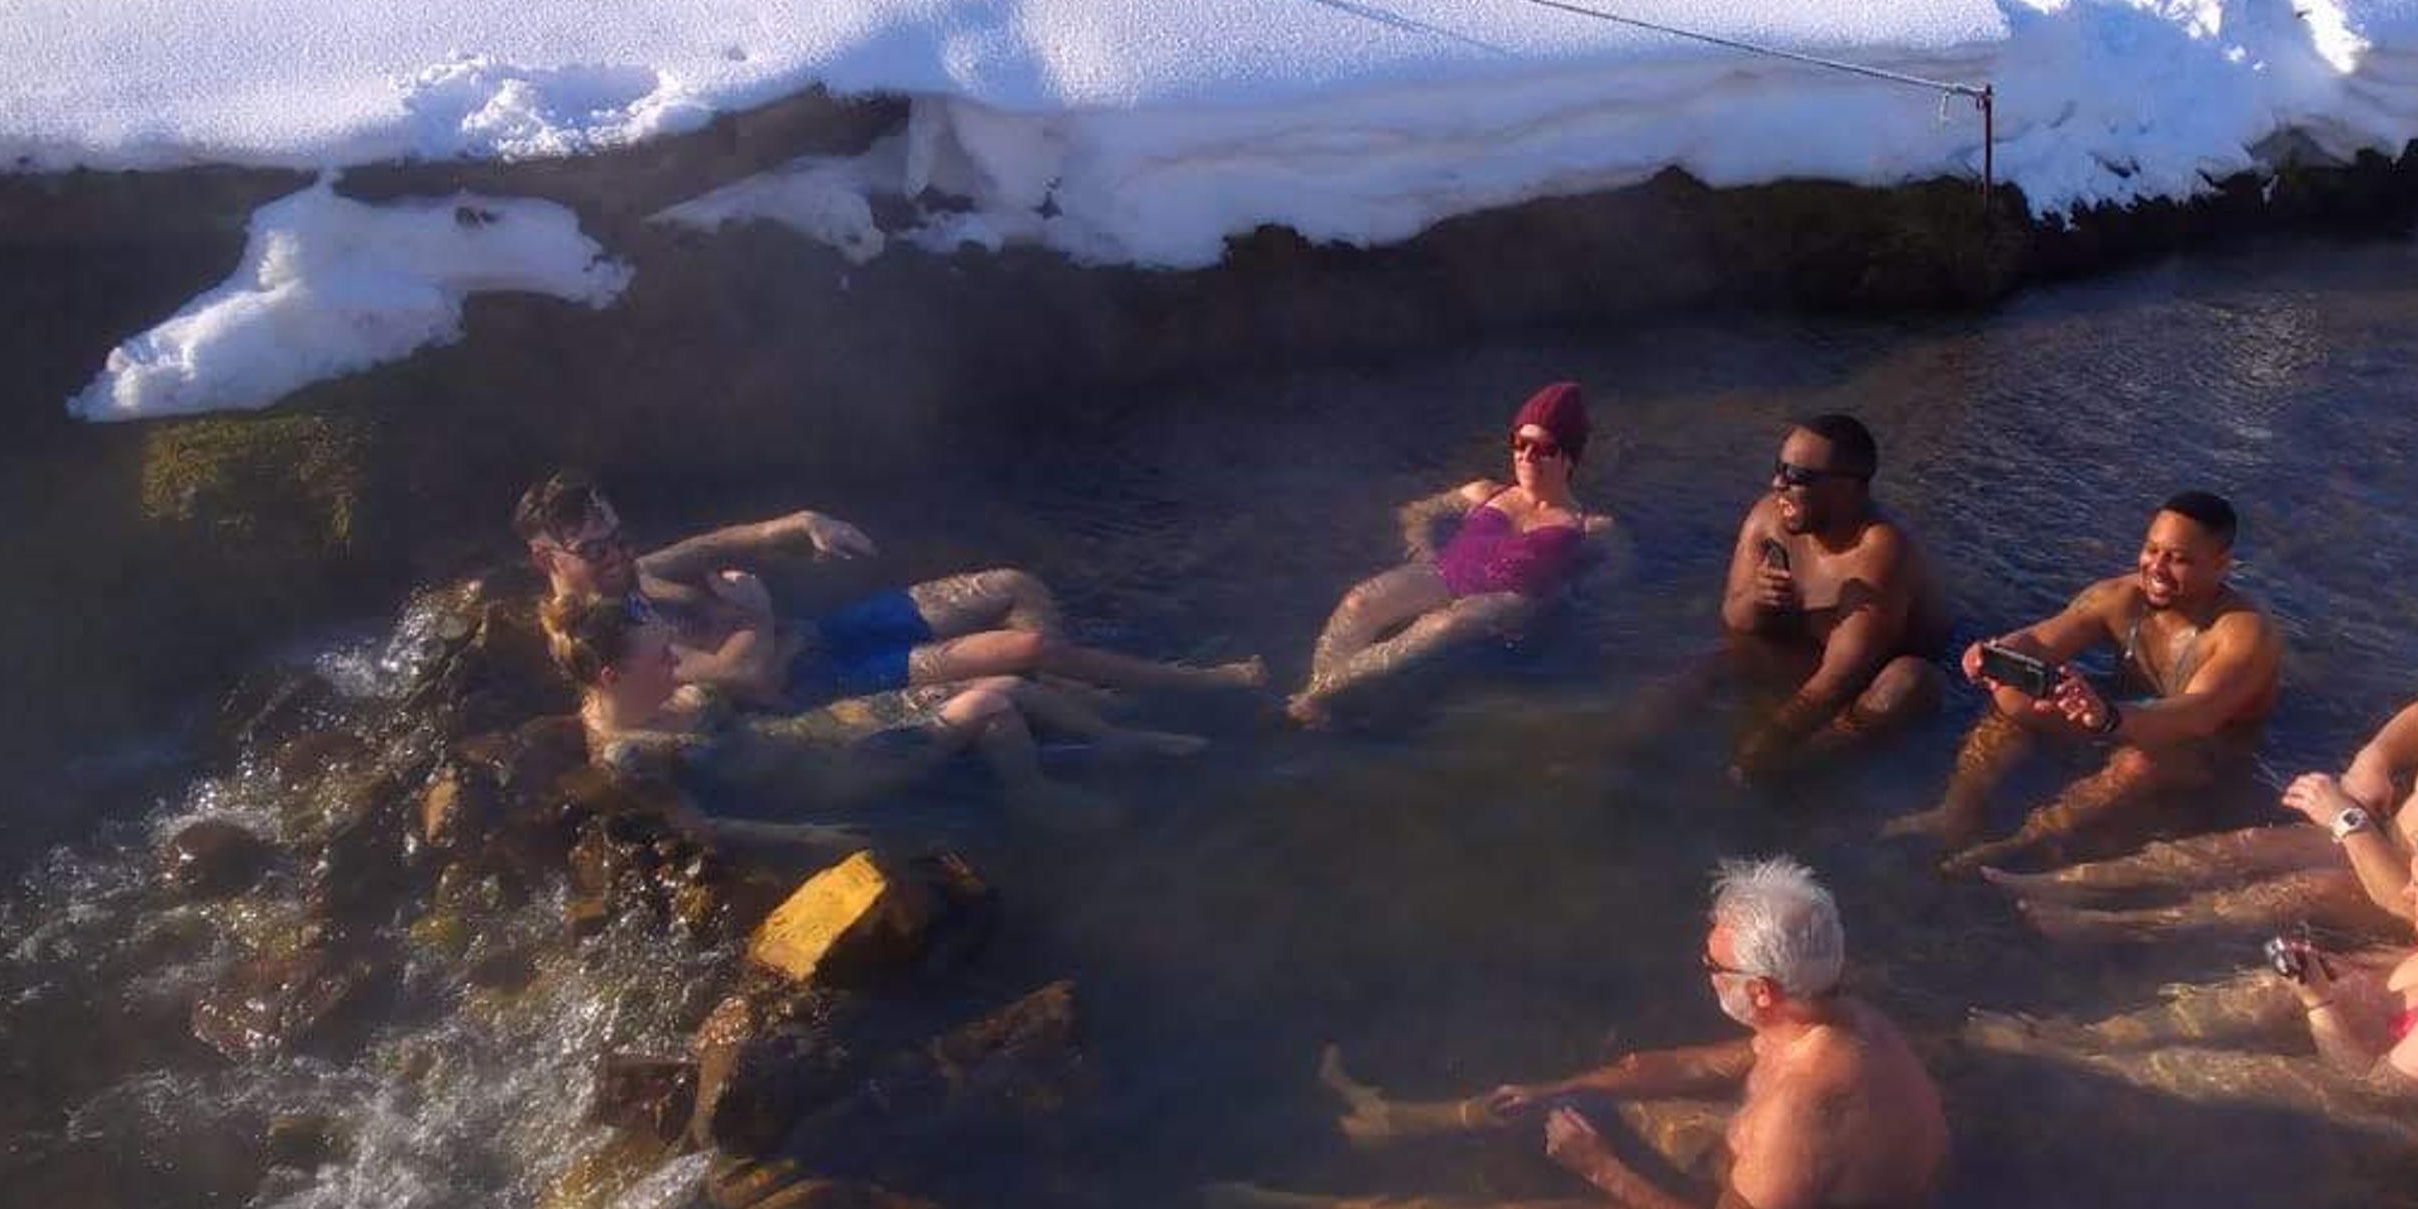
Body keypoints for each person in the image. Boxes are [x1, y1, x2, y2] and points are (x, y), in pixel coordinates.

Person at [1315, 857, 1948, 1209]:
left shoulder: (1807, 1105)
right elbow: (1697, 1064)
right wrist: (1564, 1086)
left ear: (1760, 992)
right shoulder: (1823, 1018)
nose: (1703, 972)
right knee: (1599, 1093)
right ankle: (1396, 1120)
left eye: (1712, 966)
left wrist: (1600, 1169)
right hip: (1766, 1185)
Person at [1971, 800, 2418, 1122]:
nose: (2403, 897)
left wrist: (2321, 1002)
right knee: (2277, 982)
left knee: (2260, 1073)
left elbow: (2372, 1096)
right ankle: (2092, 1036)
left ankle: (2069, 1057)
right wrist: (2325, 985)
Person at [2000, 593, 2418, 939]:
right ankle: (2053, 884)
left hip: (2415, 914)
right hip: (2383, 853)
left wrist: (2347, 822)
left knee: (2291, 892)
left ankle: (2108, 924)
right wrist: (2375, 761)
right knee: (2241, 847)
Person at [515, 470, 1262, 715]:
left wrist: (801, 522)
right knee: (1024, 645)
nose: (617, 554)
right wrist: (758, 611)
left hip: (826, 636)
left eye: (618, 536)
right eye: (594, 548)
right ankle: (1195, 686)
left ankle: (1075, 699)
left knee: (1012, 585)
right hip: (819, 689)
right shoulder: (598, 641)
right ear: (547, 558)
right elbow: (748, 677)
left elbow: (720, 542)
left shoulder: (639, 569)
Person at [544, 595, 1193, 834]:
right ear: (612, 676)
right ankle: (1034, 794)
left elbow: (753, 685)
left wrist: (776, 631)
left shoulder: (651, 690)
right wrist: (834, 837)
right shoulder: (629, 753)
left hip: (816, 733)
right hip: (830, 777)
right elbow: (707, 826)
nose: (675, 664)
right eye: (661, 658)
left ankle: (1123, 736)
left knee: (999, 680)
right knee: (991, 703)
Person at [1887, 491, 2284, 874]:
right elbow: (2043, 639)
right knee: (2012, 698)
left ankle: (2019, 844)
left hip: (2203, 749)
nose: (2156, 569)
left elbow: (2200, 713)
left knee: (2138, 763)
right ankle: (1956, 811)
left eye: (2179, 560)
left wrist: (2109, 717)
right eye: (2152, 550)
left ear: (2222, 565)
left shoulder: (2244, 633)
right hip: (2117, 714)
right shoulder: (2119, 596)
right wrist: (1996, 653)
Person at [1287, 382, 1622, 725]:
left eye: (1543, 448)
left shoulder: (1590, 526)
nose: (1525, 456)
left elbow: (1614, 573)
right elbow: (1416, 512)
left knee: (1443, 624)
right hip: (1447, 571)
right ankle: (1317, 694)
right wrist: (1422, 550)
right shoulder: (1486, 491)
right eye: (1519, 443)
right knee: (1359, 601)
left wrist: (1558, 597)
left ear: (1569, 456)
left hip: (1508, 597)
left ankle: (1315, 696)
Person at [1702, 415, 1947, 780]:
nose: (1777, 483)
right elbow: (1736, 619)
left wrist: (1755, 754)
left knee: (1909, 682)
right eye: (1779, 467)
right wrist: (1755, 597)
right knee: (1703, 668)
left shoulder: (1878, 551)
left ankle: (1807, 775)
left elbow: (1838, 682)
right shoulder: (1769, 518)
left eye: (1797, 476)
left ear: (1848, 489)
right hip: (1808, 657)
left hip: (1867, 674)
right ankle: (1624, 751)